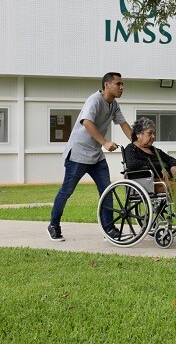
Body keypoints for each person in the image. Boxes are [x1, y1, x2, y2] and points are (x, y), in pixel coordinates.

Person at [47, 72, 133, 241]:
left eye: (122, 84)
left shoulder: (114, 105)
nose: (121, 87)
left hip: (96, 156)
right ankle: (54, 225)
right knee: (67, 191)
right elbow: (87, 122)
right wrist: (105, 142)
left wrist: (137, 143)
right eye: (118, 84)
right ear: (107, 85)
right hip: (78, 154)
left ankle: (109, 229)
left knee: (106, 190)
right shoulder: (94, 100)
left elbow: (123, 124)